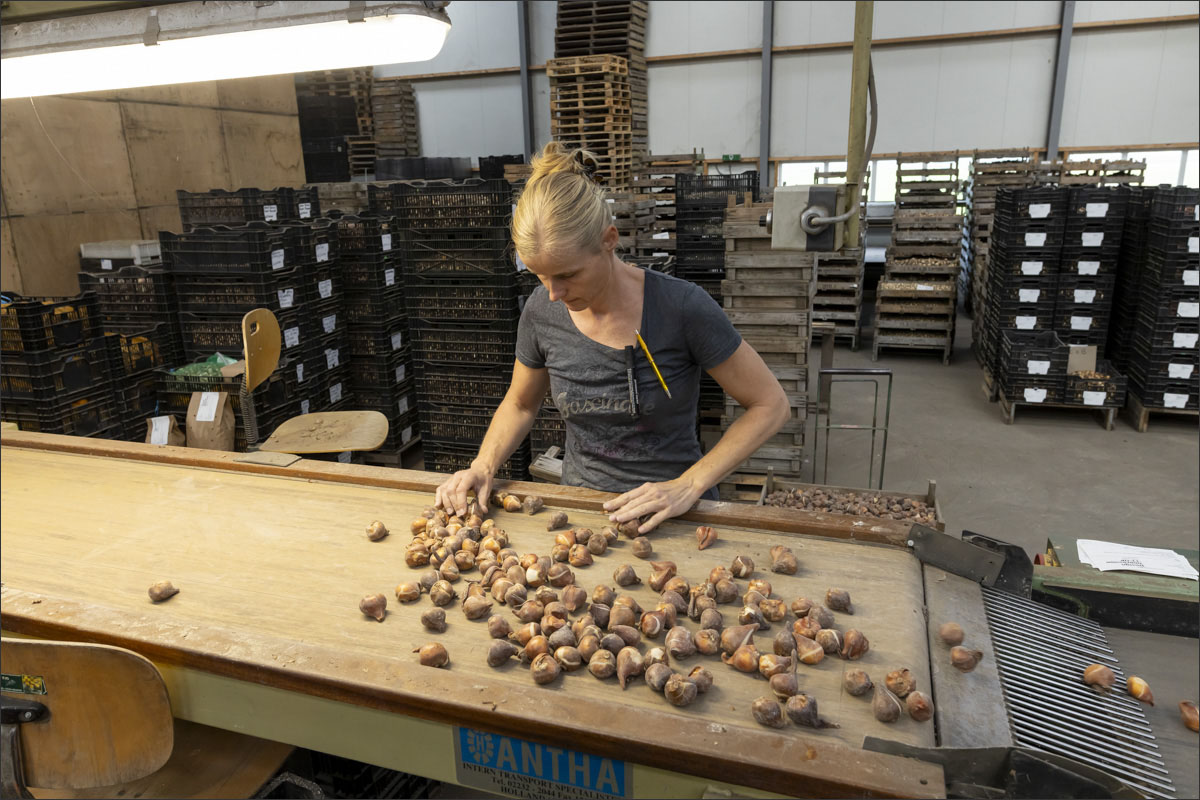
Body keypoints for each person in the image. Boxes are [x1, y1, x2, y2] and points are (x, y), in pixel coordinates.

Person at [435, 142, 790, 534]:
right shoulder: (541, 311)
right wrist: (483, 465)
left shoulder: (681, 307)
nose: (554, 293)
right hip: (585, 517)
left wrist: (689, 485)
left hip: (674, 516)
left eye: (568, 275)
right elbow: (520, 404)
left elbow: (770, 404)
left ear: (609, 239)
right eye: (540, 276)